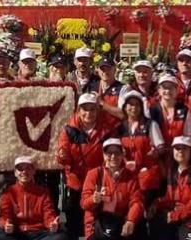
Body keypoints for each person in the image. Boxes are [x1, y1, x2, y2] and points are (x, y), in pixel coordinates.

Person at [57, 93, 118, 240]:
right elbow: (63, 157)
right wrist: (62, 156)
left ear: (98, 110)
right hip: (76, 181)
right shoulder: (69, 130)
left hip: (98, 181)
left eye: (92, 109)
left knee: (96, 220)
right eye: (85, 109)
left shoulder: (107, 131)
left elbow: (112, 155)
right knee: (74, 221)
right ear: (78, 110)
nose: (88, 113)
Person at [81, 138, 145, 240]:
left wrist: (131, 220)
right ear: (103, 155)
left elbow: (137, 202)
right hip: (97, 226)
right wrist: (93, 199)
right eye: (109, 153)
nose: (113, 156)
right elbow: (84, 203)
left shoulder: (130, 177)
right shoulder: (94, 174)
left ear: (122, 155)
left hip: (120, 224)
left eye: (117, 153)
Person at [0, 156, 65, 240]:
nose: (24, 172)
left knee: (62, 236)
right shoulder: (8, 192)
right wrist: (6, 224)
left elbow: (48, 213)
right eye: (20, 169)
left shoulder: (43, 192)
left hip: (39, 232)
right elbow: (4, 215)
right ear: (15, 173)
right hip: (16, 232)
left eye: (28, 168)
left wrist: (51, 224)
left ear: (34, 171)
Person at [151, 136, 191, 240]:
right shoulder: (173, 172)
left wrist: (175, 215)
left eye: (185, 148)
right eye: (177, 148)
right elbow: (169, 197)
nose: (180, 151)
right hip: (175, 215)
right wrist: (156, 204)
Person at [116, 92, 165, 205]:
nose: (133, 108)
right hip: (128, 175)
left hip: (147, 175)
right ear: (124, 107)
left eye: (137, 104)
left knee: (144, 206)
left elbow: (161, 146)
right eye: (130, 104)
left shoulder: (150, 124)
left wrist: (156, 152)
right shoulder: (121, 128)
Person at [149, 74, 191, 151]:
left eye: (171, 87)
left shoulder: (184, 110)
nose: (168, 91)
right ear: (159, 90)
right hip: (159, 153)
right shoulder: (152, 111)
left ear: (176, 89)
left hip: (180, 152)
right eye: (164, 87)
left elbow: (188, 136)